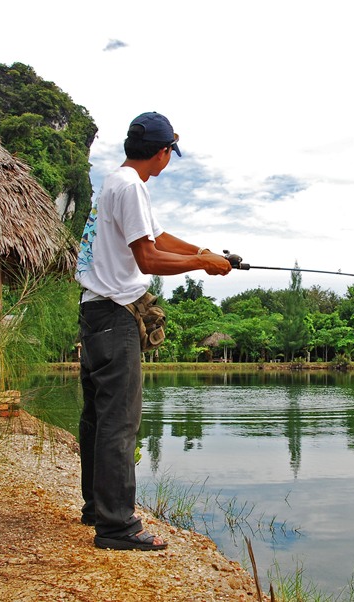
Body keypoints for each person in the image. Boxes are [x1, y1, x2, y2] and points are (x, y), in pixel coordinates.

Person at [75, 111, 232, 551]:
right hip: (115, 315)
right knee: (119, 424)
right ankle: (116, 527)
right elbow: (148, 258)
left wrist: (204, 251)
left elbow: (158, 236)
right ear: (162, 153)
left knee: (97, 419)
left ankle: (96, 508)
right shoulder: (132, 187)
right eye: (170, 153)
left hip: (94, 312)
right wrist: (203, 264)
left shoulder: (115, 182)